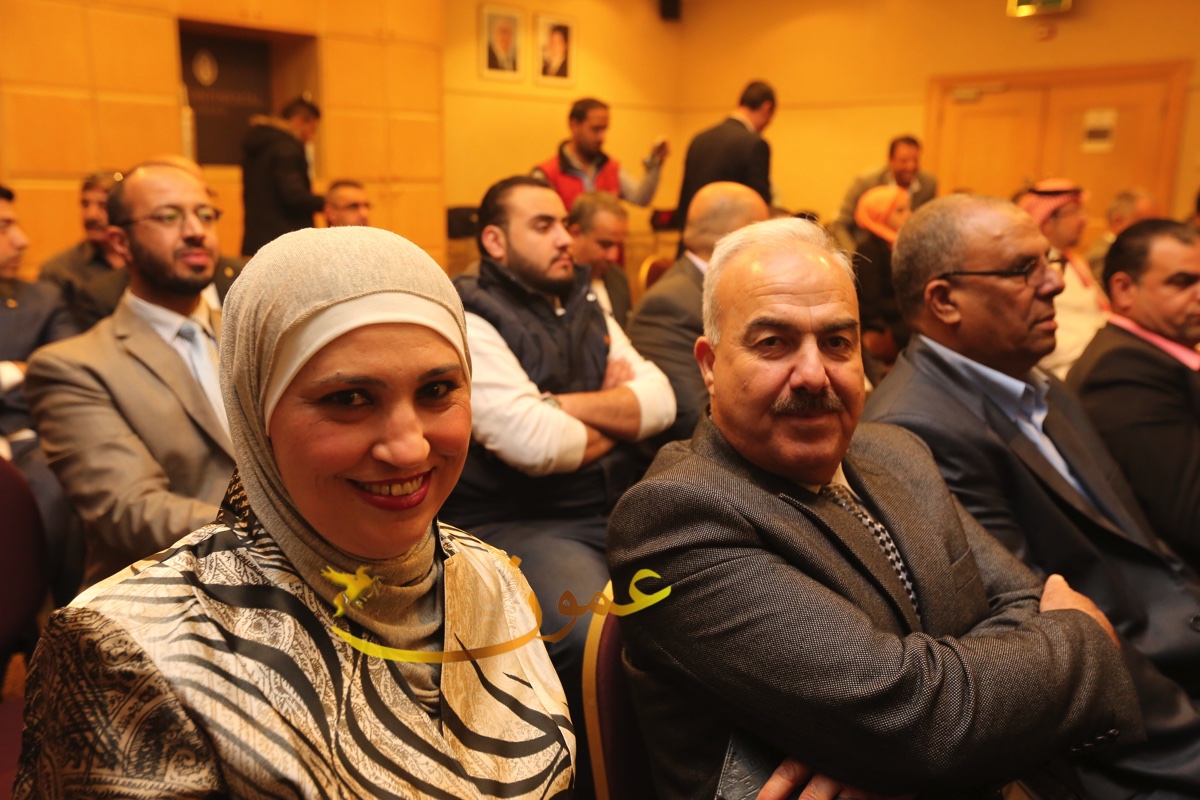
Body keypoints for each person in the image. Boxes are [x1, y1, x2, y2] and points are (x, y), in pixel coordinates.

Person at [15, 226, 574, 797]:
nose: (408, 448)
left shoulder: (489, 574)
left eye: (436, 390)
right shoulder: (134, 649)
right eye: (349, 398)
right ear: (255, 411)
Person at [607, 216, 1146, 800]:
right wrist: (1084, 636)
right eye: (773, 344)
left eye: (837, 342)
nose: (813, 374)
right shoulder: (677, 515)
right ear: (711, 365)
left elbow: (1019, 605)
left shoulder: (898, 453)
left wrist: (898, 751)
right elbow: (923, 722)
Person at [862, 196, 1200, 790]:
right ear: (944, 300)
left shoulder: (1034, 380)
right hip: (1131, 723)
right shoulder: (915, 432)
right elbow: (1048, 639)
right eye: (1024, 270)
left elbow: (1140, 547)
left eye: (1050, 262)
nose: (1055, 283)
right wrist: (1190, 748)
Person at [444, 175, 674, 800]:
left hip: (614, 505)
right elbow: (537, 444)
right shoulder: (469, 313)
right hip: (518, 521)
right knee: (590, 633)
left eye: (566, 225)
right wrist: (615, 414)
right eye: (542, 226)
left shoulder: (585, 300)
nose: (565, 239)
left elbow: (660, 402)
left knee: (702, 598)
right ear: (495, 241)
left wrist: (560, 404)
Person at [25, 162, 236, 589]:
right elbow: (133, 512)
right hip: (166, 592)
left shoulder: (251, 335)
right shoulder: (73, 366)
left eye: (205, 214)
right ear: (120, 242)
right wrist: (287, 529)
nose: (196, 231)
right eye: (169, 217)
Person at [1068, 219, 1200, 567]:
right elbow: (1192, 516)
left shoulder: (1153, 354)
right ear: (1125, 289)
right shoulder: (1123, 369)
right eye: (1183, 282)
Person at [626, 181, 768, 445]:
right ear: (738, 234)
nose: (771, 247)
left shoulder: (720, 288)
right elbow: (695, 416)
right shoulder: (668, 304)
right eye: (765, 233)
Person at [0, 184, 82, 604]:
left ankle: (48, 618)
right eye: (4, 227)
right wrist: (12, 370)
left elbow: (66, 369)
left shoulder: (41, 301)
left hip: (28, 441)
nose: (22, 241)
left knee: (58, 486)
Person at [1015, 178, 1107, 377]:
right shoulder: (1029, 268)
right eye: (1074, 212)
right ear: (1047, 221)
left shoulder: (1074, 262)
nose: (1084, 220)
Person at [533, 97, 668, 210]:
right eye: (596, 129)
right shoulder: (547, 174)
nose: (602, 138)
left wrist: (655, 163)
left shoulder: (611, 168)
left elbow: (641, 199)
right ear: (574, 125)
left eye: (604, 129)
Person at [674, 81, 774, 230]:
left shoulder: (699, 139)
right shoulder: (755, 144)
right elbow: (759, 203)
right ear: (767, 108)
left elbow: (685, 198)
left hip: (694, 234)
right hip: (730, 238)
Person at [240, 97, 324, 255]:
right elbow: (293, 196)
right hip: (284, 242)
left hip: (257, 238)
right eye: (311, 130)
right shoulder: (286, 148)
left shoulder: (261, 144)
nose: (311, 138)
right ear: (298, 121)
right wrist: (326, 202)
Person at [831, 135, 937, 252]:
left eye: (915, 160)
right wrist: (854, 256)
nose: (911, 166)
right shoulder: (866, 182)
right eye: (904, 161)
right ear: (890, 160)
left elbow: (929, 224)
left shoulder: (928, 184)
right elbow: (841, 224)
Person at [853, 184, 911, 365]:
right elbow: (871, 302)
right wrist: (914, 305)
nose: (909, 215)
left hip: (904, 316)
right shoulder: (868, 250)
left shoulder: (904, 245)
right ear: (881, 215)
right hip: (885, 324)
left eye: (908, 209)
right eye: (900, 211)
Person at [565, 191, 631, 329]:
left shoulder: (618, 278)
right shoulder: (556, 284)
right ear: (575, 234)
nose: (613, 256)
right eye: (605, 244)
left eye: (619, 246)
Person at [1085, 188, 1157, 281]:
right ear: (1118, 222)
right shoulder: (1103, 256)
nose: (1152, 231)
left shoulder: (1130, 251)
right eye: (1144, 224)